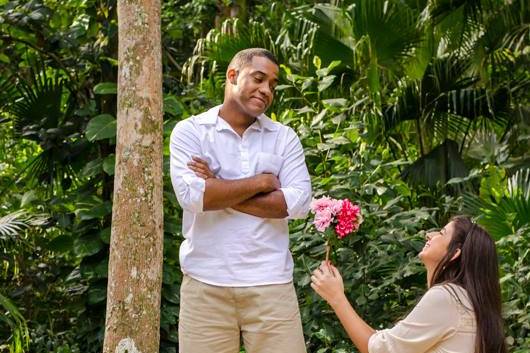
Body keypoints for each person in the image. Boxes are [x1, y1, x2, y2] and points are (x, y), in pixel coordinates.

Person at [169, 48, 311, 353]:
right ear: (232, 76)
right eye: (259, 79)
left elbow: (297, 204)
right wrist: (261, 183)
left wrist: (217, 187)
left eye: (272, 85)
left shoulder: (283, 137)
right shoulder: (191, 131)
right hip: (205, 285)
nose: (266, 90)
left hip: (271, 285)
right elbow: (193, 196)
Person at [311, 216, 507, 353]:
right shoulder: (467, 300)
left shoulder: (446, 297)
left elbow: (379, 350)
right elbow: (387, 342)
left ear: (455, 253)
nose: (429, 235)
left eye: (441, 232)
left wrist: (336, 298)